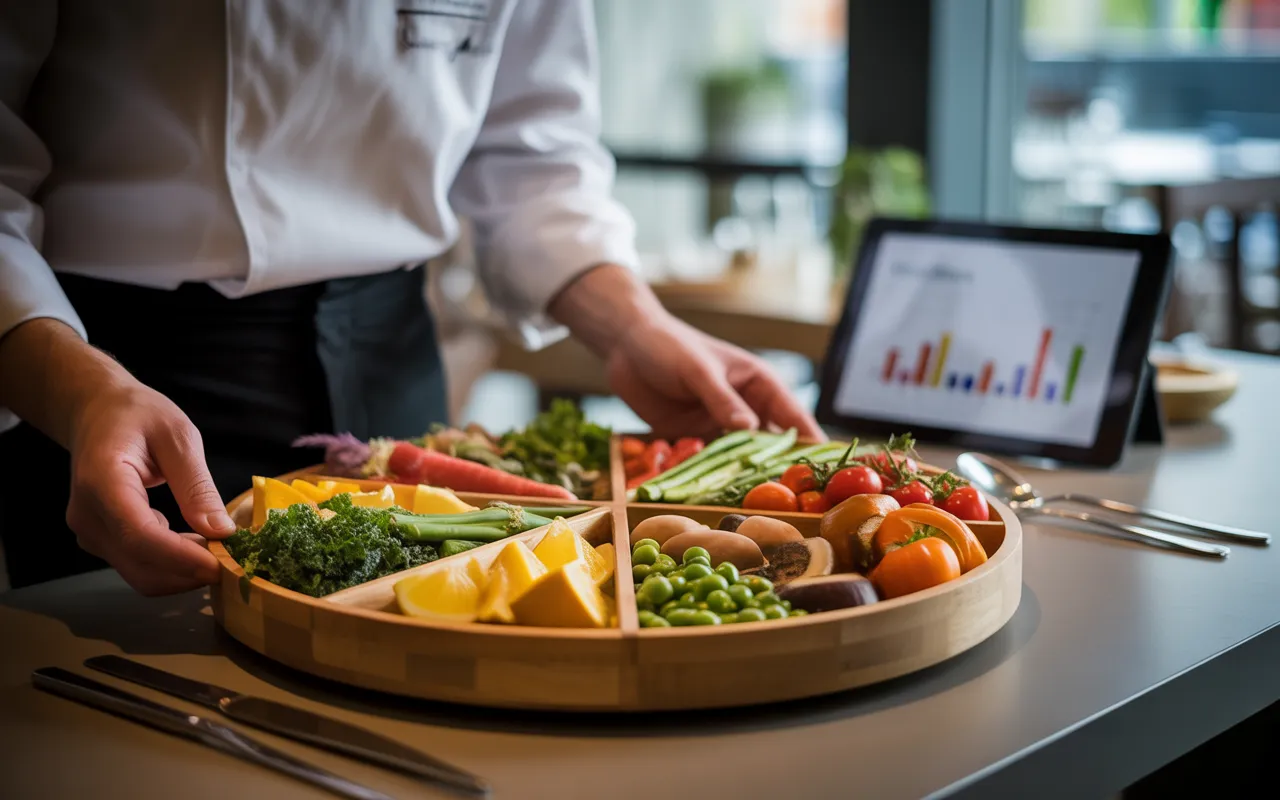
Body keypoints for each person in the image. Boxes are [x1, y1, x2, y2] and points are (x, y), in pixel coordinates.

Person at [0, 2, 822, 595]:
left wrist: (635, 324)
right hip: (105, 372)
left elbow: (533, 161)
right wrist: (76, 389)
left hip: (389, 354)